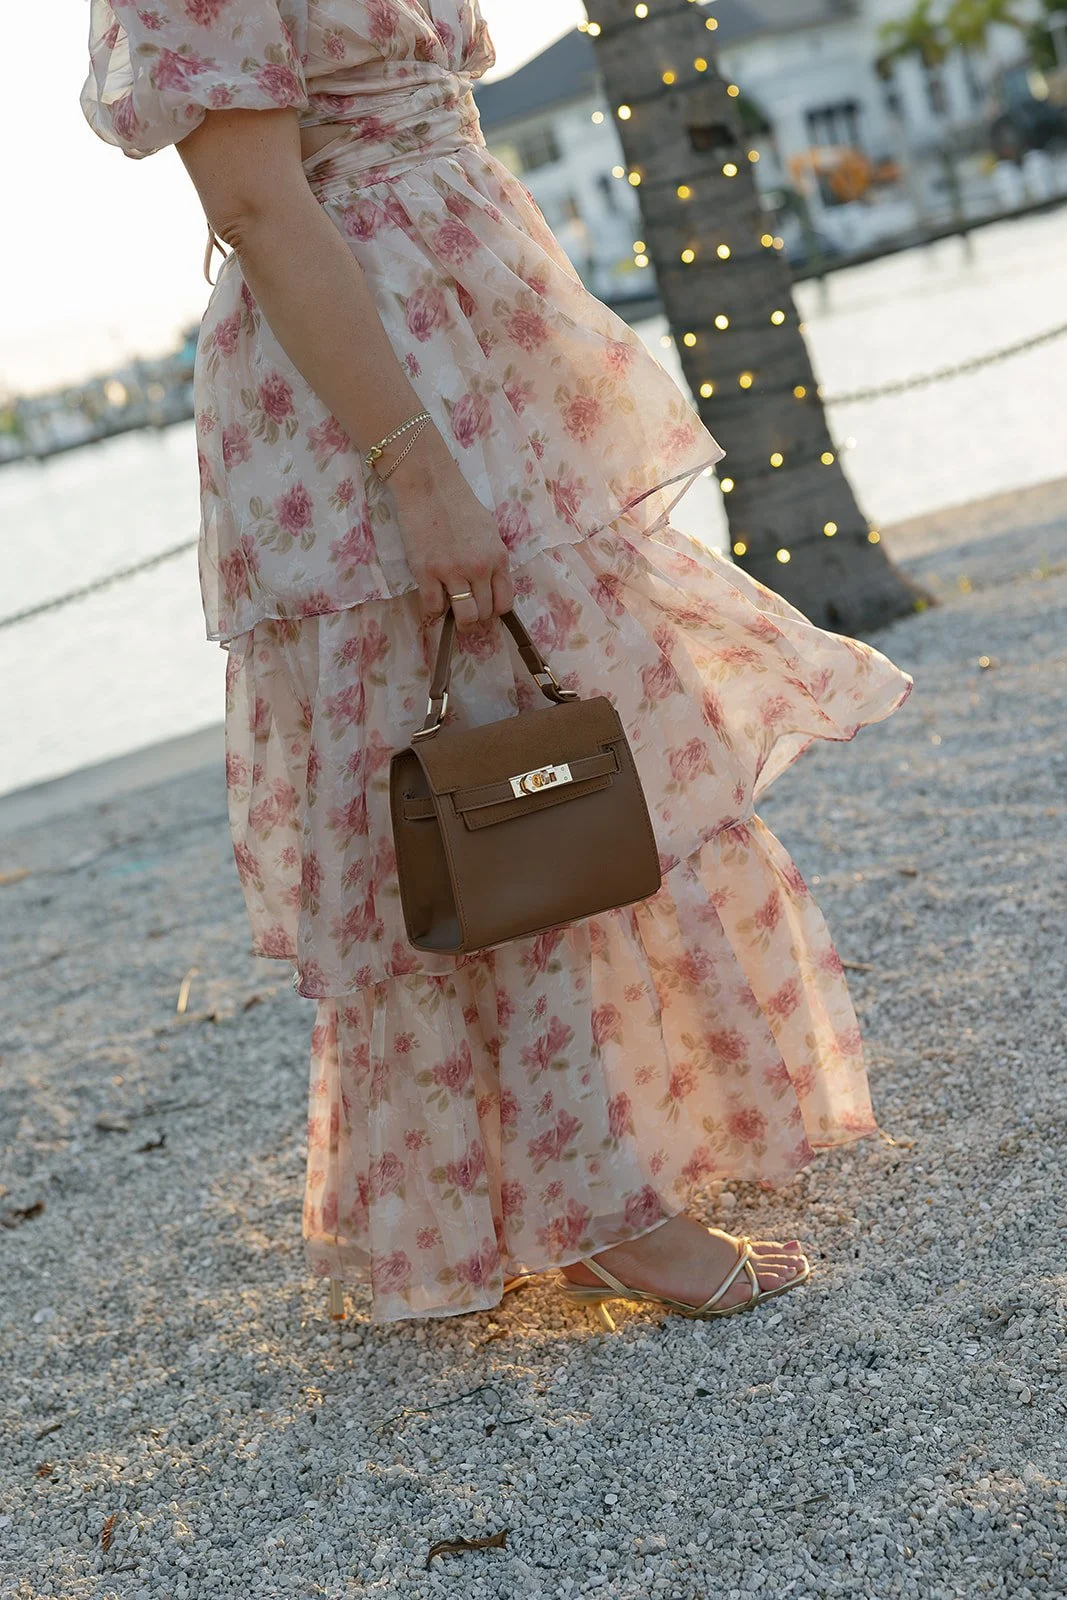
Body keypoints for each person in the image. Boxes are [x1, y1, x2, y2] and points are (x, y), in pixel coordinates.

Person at [80, 0, 913, 1329]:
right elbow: (255, 199)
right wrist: (414, 467)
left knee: (567, 743)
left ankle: (613, 1150)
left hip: (471, 336)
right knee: (486, 769)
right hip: (381, 380)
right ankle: (595, 1207)